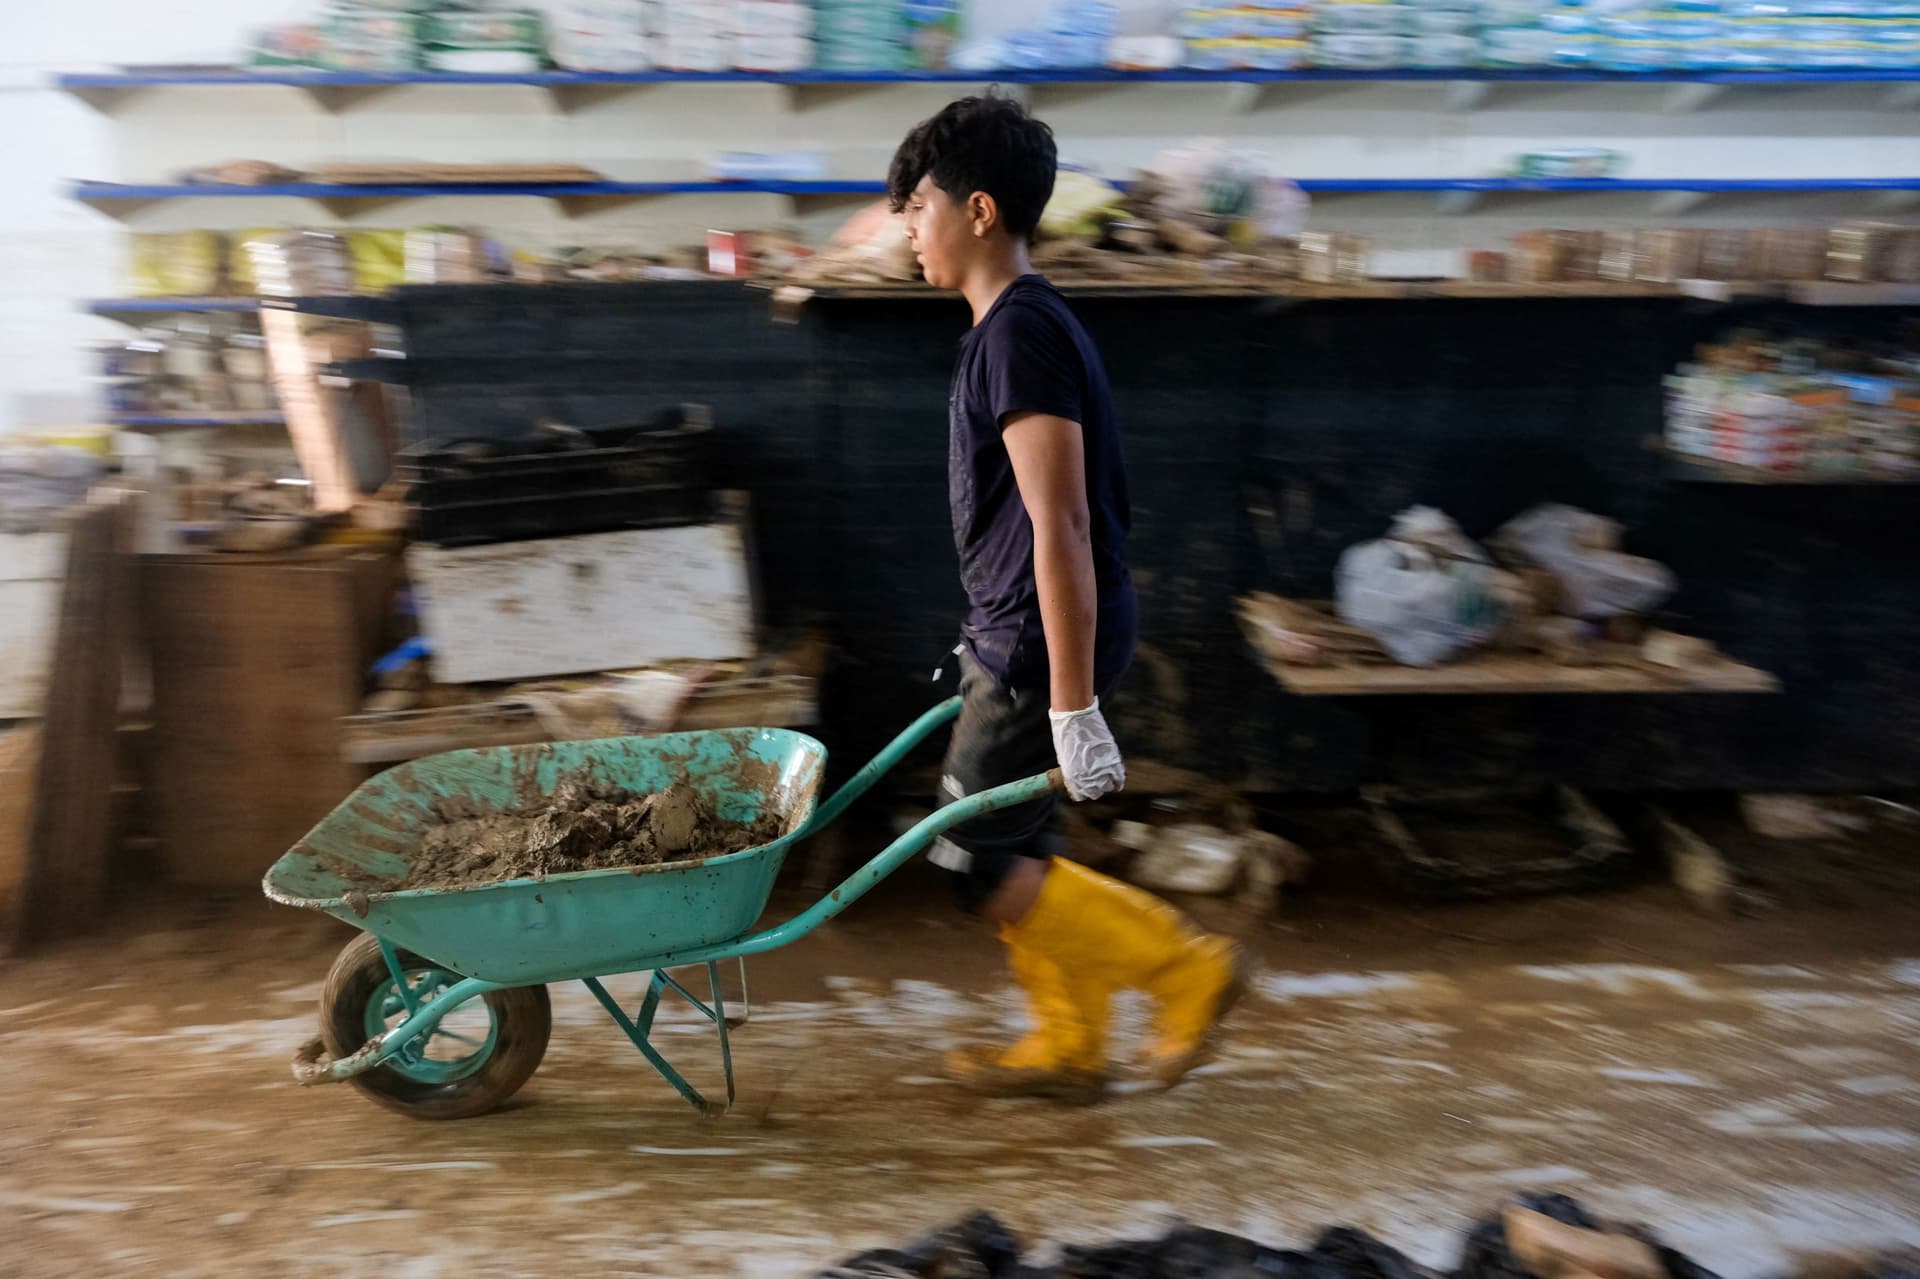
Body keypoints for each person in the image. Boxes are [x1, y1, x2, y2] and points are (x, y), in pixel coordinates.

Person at [887, 94, 1250, 1103]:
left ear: (982, 212)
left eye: (918, 207)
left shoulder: (1019, 336)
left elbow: (1063, 525)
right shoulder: (1015, 327)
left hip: (1040, 640)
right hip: (1021, 629)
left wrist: (1072, 700)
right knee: (1018, 840)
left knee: (963, 853)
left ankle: (1187, 971)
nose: (907, 229)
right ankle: (1070, 1037)